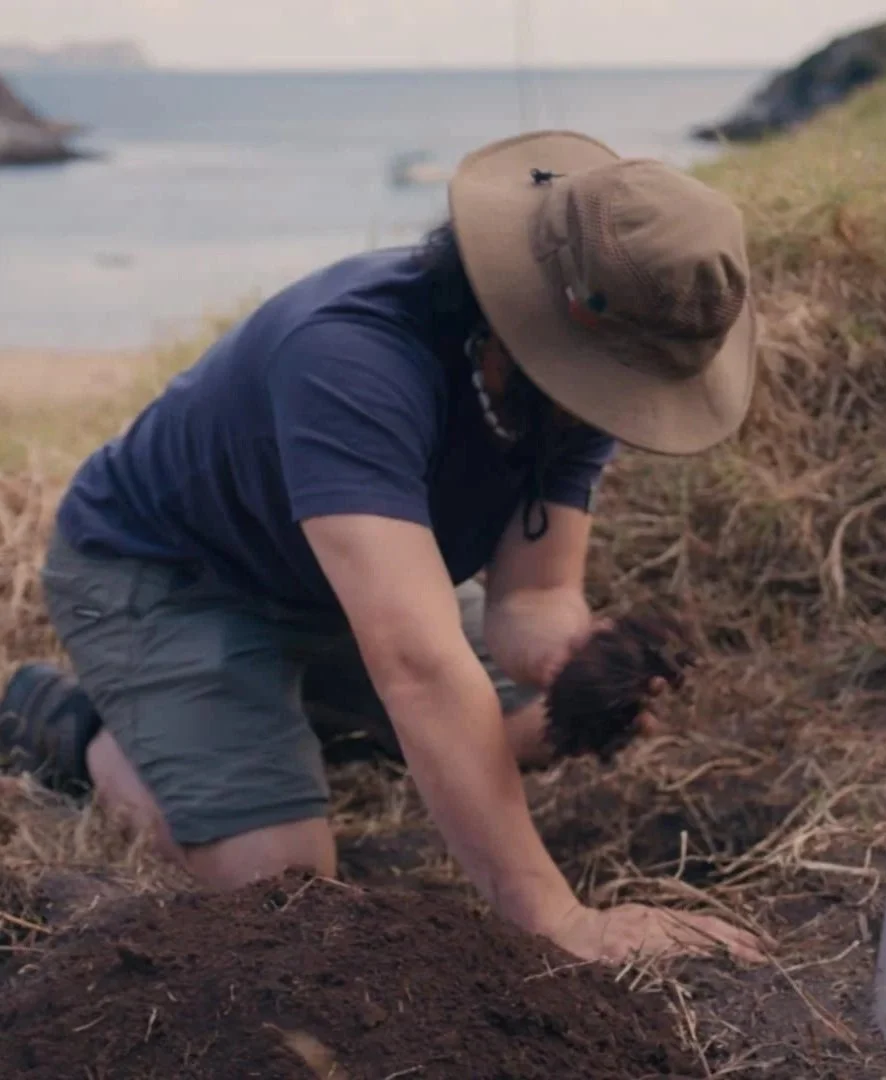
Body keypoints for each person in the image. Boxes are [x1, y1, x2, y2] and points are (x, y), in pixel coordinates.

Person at [0, 130, 762, 965]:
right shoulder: (351, 357)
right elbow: (419, 665)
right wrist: (556, 919)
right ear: (538, 318)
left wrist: (579, 665)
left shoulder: (576, 387)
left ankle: (278, 715)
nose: (623, 406)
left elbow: (531, 600)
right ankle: (72, 725)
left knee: (534, 732)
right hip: (173, 576)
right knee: (279, 882)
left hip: (355, 586)